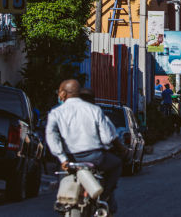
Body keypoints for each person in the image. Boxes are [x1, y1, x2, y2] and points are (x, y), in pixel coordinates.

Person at [46, 80, 127, 215]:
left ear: (65, 93)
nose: (58, 95)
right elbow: (107, 138)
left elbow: (51, 136)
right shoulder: (95, 110)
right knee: (117, 164)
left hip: (69, 158)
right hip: (95, 157)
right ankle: (103, 196)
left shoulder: (56, 112)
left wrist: (62, 157)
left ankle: (62, 201)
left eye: (59, 92)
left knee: (63, 172)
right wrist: (105, 147)